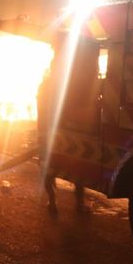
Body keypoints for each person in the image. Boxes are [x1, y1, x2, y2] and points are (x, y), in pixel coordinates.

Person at [36, 43, 86, 214]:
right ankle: (78, 204)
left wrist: (41, 134)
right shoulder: (72, 85)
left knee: (48, 169)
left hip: (49, 133)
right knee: (77, 169)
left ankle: (52, 202)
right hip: (68, 134)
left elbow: (41, 111)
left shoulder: (45, 85)